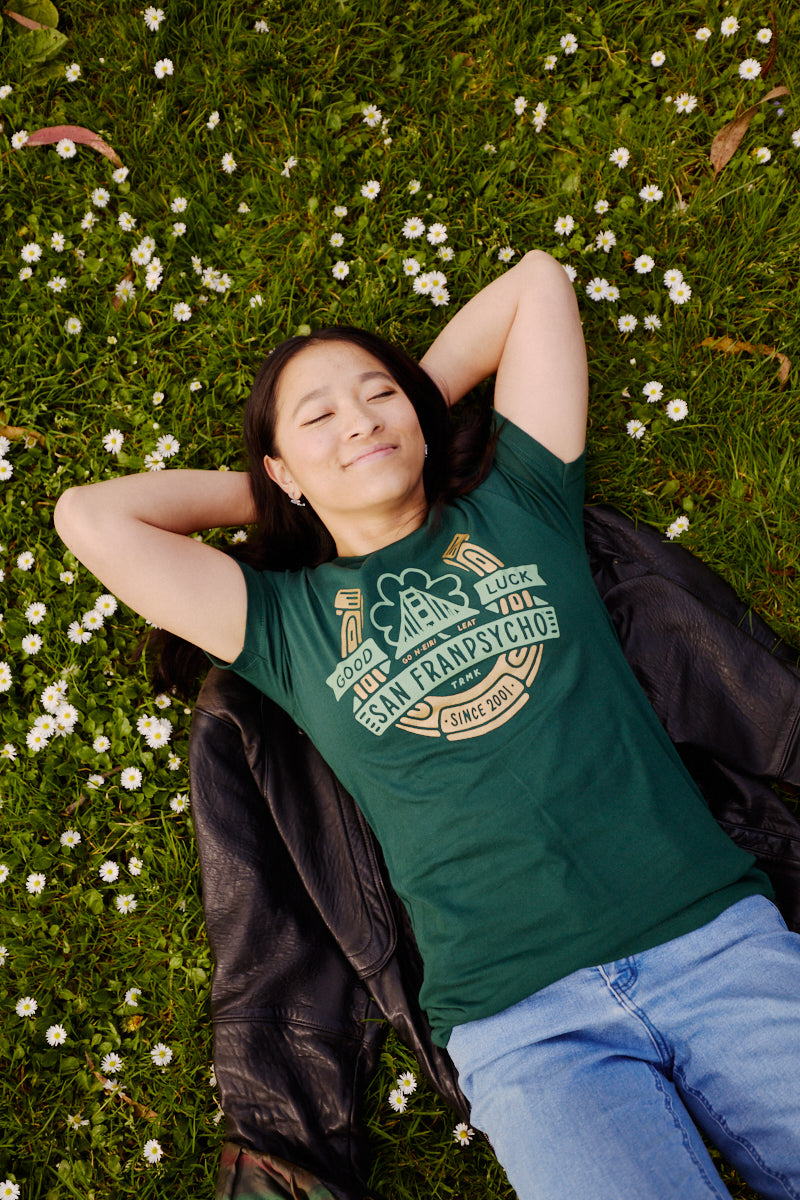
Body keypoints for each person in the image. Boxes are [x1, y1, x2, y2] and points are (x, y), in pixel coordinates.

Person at [54, 250, 800, 1200]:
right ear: (278, 466)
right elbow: (91, 516)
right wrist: (279, 485)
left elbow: (537, 282)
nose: (358, 417)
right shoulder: (283, 625)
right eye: (318, 415)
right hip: (525, 1028)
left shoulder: (524, 508)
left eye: (378, 395)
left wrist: (389, 419)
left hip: (717, 943)